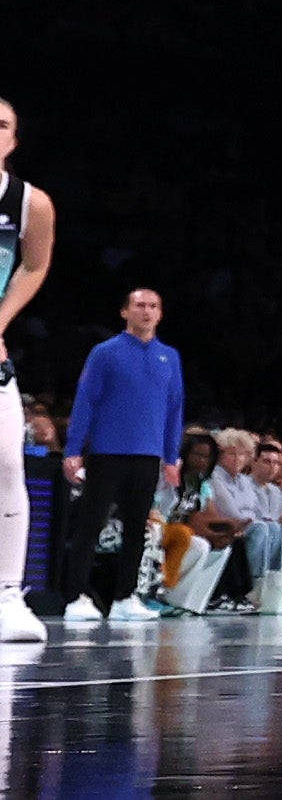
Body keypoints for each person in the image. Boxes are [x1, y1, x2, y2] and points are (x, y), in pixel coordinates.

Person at [57, 287, 177, 624]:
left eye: (153, 306)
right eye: (139, 305)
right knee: (91, 524)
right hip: (108, 451)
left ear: (160, 313)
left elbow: (174, 409)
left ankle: (126, 596)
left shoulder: (169, 357)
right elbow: (86, 401)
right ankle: (77, 596)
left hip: (147, 455)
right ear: (125, 312)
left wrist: (170, 457)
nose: (146, 311)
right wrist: (73, 450)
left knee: (138, 527)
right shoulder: (105, 353)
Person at [0, 97, 49, 641]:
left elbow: (34, 265)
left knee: (8, 469)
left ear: (13, 140)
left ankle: (8, 596)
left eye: (2, 125)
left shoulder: (30, 203)